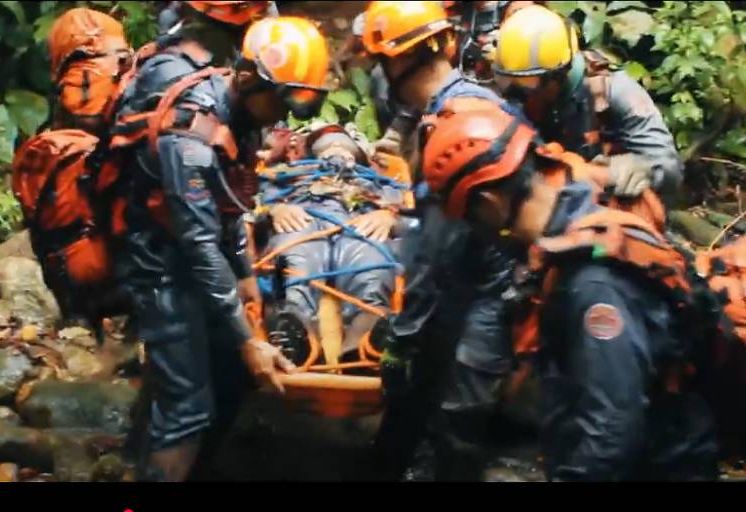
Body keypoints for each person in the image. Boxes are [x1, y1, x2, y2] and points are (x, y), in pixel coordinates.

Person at [419, 102, 720, 481]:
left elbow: (611, 431)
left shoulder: (593, 285)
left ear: (491, 204)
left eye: (469, 216)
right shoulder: (578, 213)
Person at [111, 5, 330, 481]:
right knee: (188, 406)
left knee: (228, 377)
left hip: (193, 257)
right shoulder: (191, 135)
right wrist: (249, 338)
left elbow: (231, 204)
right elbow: (198, 241)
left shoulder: (242, 120)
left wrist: (248, 277)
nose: (281, 116)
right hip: (159, 267)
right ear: (250, 79)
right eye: (280, 100)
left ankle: (162, 460)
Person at [359, 0, 528, 481]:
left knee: (456, 417)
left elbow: (436, 247)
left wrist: (403, 336)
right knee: (417, 405)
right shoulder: (464, 105)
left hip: (485, 288)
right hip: (466, 281)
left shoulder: (455, 127)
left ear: (398, 59)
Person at [493, 4, 683, 203]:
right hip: (550, 197)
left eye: (527, 83)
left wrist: (644, 168)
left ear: (559, 74)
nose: (518, 90)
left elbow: (669, 166)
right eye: (511, 80)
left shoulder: (614, 91)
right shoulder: (519, 86)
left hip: (609, 206)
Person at [254, 122, 412, 362]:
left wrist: (390, 218)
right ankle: (296, 333)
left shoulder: (383, 181)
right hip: (301, 216)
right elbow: (248, 208)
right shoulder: (284, 174)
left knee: (373, 264)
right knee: (293, 265)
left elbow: (416, 220)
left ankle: (365, 338)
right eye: (328, 145)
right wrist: (274, 210)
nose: (336, 148)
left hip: (361, 220)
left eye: (344, 145)